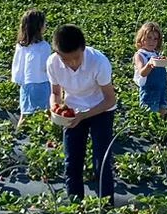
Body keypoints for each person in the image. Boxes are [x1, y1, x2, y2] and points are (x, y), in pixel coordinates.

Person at [47, 24, 118, 203]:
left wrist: (84, 115)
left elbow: (110, 99)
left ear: (83, 49)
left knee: (101, 161)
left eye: (76, 58)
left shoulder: (98, 62)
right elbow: (56, 92)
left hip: (100, 109)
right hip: (73, 111)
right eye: (66, 59)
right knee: (72, 162)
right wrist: (55, 107)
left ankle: (106, 206)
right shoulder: (53, 63)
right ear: (57, 54)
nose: (72, 63)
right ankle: (75, 207)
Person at [11, 9, 52, 117]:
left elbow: (17, 66)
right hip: (42, 84)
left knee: (25, 114)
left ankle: (18, 134)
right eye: (44, 23)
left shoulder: (21, 45)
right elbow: (46, 68)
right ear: (38, 26)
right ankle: (51, 133)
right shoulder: (44, 46)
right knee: (47, 114)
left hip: (27, 85)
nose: (46, 25)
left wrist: (19, 80)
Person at [132, 22, 167, 113]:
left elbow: (161, 75)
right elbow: (142, 72)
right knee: (150, 113)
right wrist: (149, 64)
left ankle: (160, 126)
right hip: (149, 90)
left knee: (163, 110)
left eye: (155, 39)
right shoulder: (140, 55)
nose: (152, 41)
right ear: (141, 39)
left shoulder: (156, 54)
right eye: (149, 38)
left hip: (161, 89)